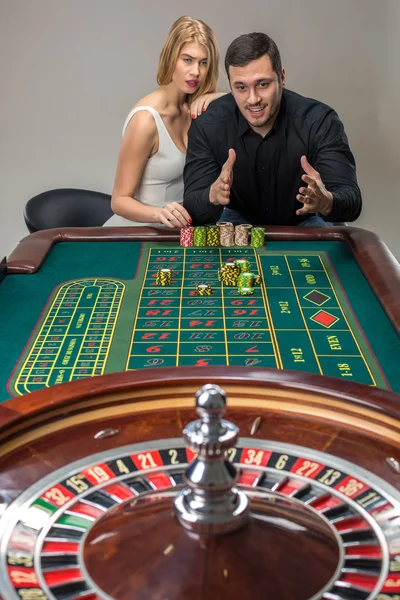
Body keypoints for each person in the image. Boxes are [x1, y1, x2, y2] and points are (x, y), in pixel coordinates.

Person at [183, 32, 362, 227]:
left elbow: (352, 201)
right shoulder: (208, 126)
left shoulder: (320, 121)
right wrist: (212, 195)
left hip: (308, 218)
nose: (253, 99)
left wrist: (326, 201)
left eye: (263, 84)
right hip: (239, 221)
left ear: (282, 77)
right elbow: (193, 204)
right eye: (241, 87)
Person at [104, 16, 222, 228]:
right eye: (187, 60)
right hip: (136, 235)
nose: (196, 71)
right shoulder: (146, 119)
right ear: (171, 58)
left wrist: (219, 97)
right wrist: (159, 213)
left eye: (203, 62)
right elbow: (119, 201)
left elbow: (247, 102)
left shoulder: (197, 110)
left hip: (178, 236)